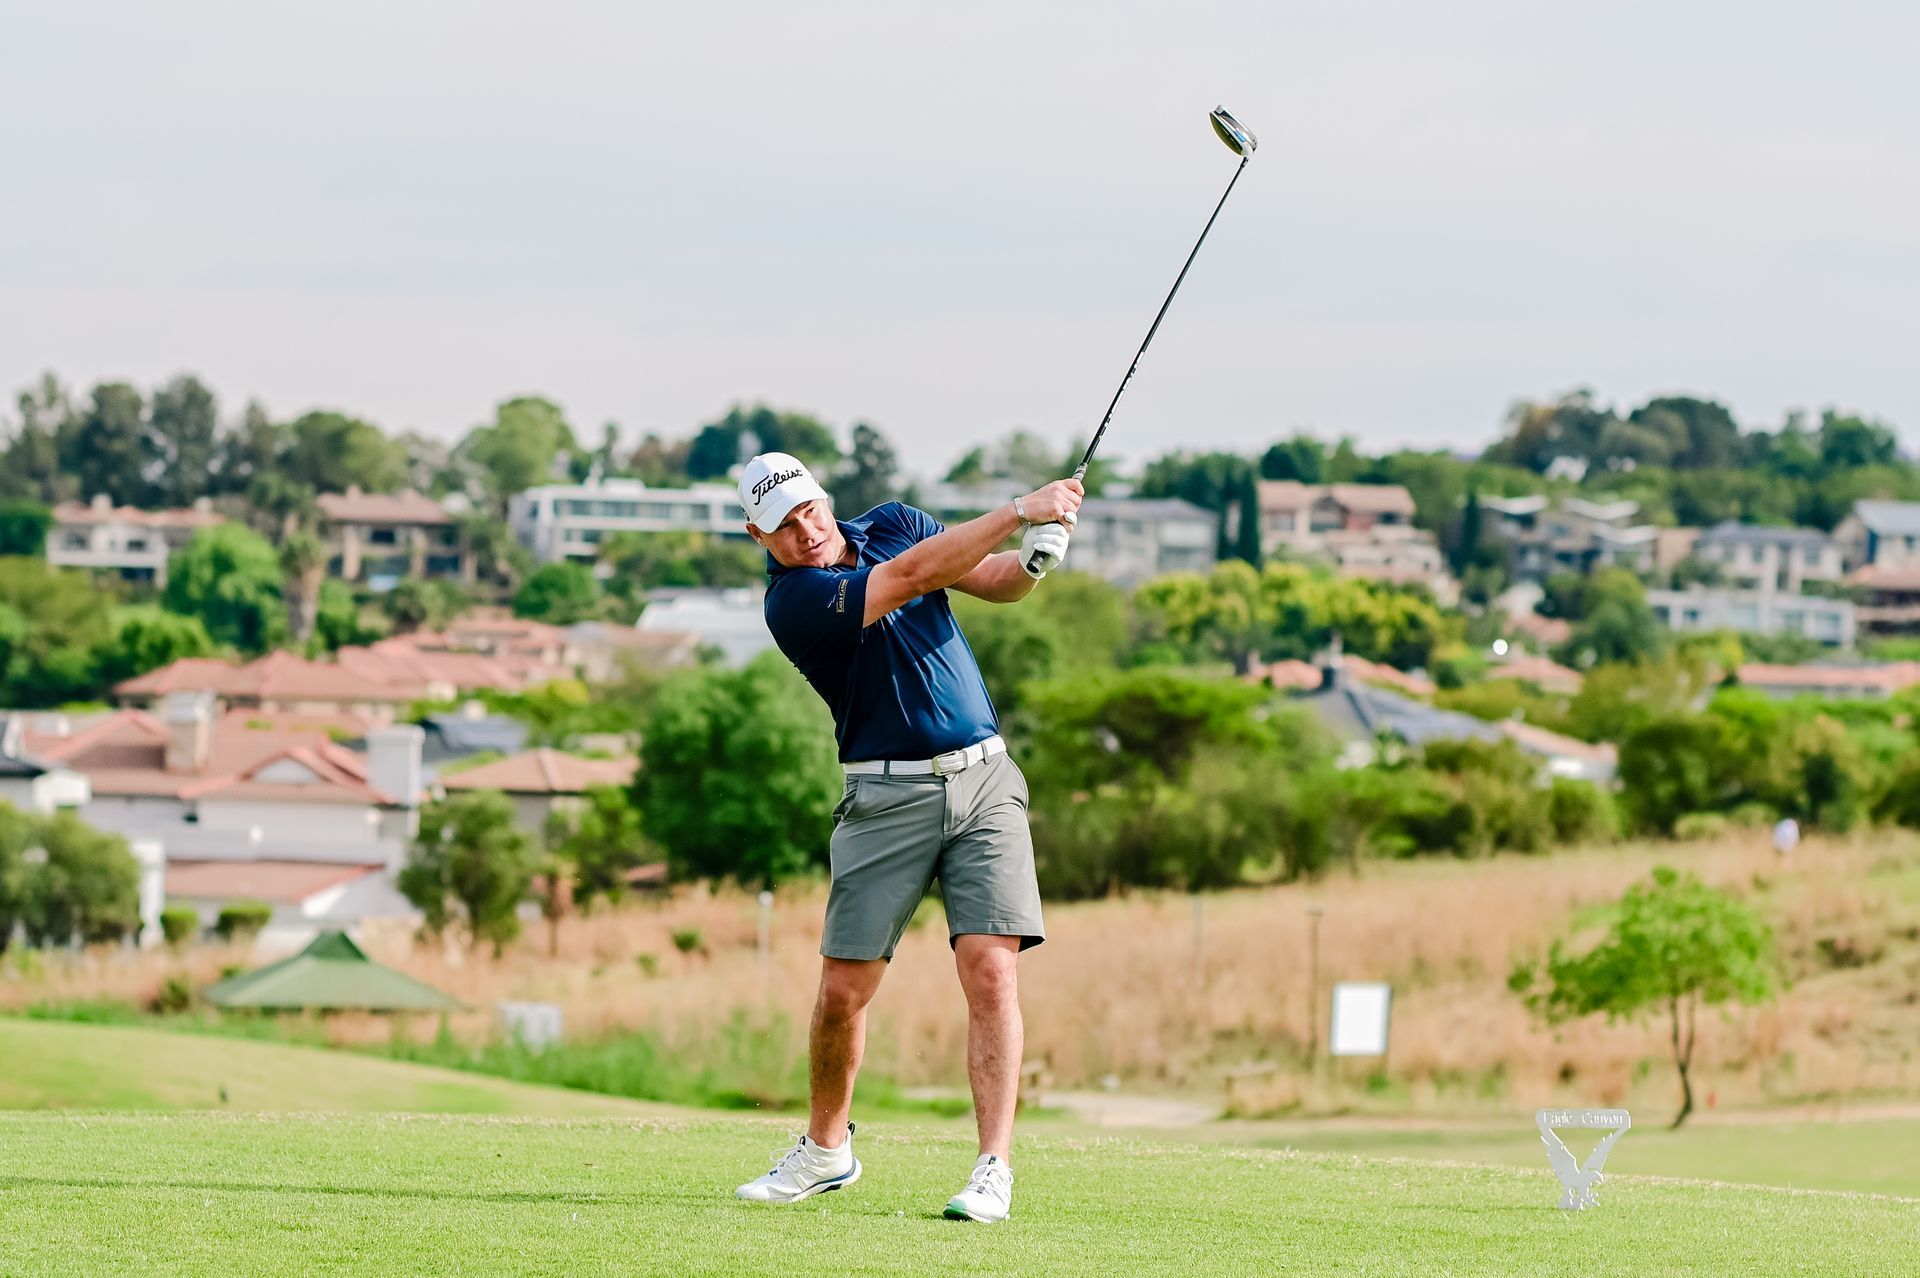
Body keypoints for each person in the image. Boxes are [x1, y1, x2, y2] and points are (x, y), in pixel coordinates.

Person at [730, 450, 1081, 1224]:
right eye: (783, 526)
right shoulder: (794, 601)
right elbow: (916, 577)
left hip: (986, 778)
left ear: (825, 498)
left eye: (809, 511)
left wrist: (1033, 559)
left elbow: (990, 581)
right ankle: (826, 1151)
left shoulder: (895, 522)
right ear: (758, 537)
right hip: (884, 796)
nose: (805, 532)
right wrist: (1019, 510)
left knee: (991, 970)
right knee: (842, 992)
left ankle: (992, 1169)